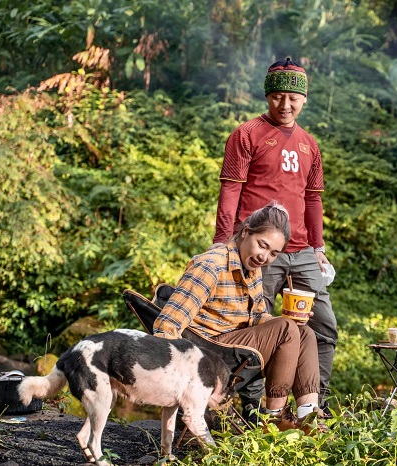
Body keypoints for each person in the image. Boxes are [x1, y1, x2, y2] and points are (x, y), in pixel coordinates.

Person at [212, 57, 337, 415]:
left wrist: (318, 247)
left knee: (323, 328)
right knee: (256, 328)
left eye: (293, 98)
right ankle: (250, 407)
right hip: (260, 251)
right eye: (277, 97)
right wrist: (224, 241)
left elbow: (312, 199)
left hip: (301, 253)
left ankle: (314, 404)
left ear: (304, 99)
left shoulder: (309, 144)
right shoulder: (246, 134)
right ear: (268, 97)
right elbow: (230, 191)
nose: (285, 105)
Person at [153, 203, 326, 432]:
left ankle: (308, 414)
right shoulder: (211, 264)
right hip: (209, 348)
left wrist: (290, 323)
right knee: (286, 328)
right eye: (262, 245)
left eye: (273, 253)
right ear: (246, 231)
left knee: (304, 331)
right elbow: (167, 323)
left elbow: (256, 317)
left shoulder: (251, 267)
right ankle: (274, 418)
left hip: (235, 343)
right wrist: (169, 375)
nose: (264, 257)